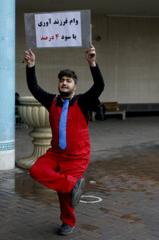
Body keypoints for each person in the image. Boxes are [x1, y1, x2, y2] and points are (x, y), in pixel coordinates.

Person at [24, 45, 104, 235]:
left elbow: (99, 86)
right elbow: (34, 88)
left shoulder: (83, 101)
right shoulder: (51, 101)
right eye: (62, 80)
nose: (64, 83)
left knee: (63, 192)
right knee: (36, 170)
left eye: (68, 81)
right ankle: (73, 185)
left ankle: (68, 222)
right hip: (55, 153)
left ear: (75, 86)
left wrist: (92, 63)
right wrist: (31, 65)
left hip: (77, 156)